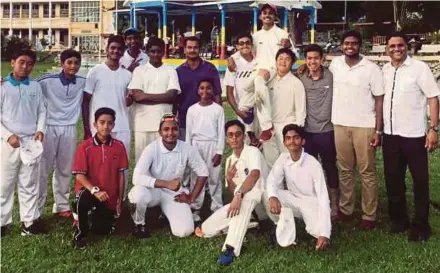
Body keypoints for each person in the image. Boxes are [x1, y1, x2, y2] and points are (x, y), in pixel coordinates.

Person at [382, 32, 439, 241]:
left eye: (400, 45)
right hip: (390, 134)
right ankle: (399, 220)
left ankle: (421, 224)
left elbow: (433, 97)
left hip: (414, 135)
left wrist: (434, 128)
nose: (396, 49)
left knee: (420, 180)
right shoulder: (385, 70)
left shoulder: (419, 69)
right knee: (393, 178)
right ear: (387, 49)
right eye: (392, 46)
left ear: (407, 47)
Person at [329, 30, 384, 230]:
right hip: (340, 124)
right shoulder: (335, 64)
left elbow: (379, 100)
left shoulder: (371, 68)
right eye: (346, 43)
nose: (350, 46)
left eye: (353, 43)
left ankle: (369, 215)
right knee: (344, 169)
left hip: (365, 125)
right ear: (342, 45)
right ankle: (346, 209)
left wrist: (378, 130)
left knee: (367, 171)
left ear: (360, 45)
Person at [195, 120, 268, 266]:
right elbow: (232, 190)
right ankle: (252, 224)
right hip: (242, 200)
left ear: (244, 137)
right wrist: (229, 179)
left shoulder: (252, 152)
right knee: (205, 230)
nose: (234, 138)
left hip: (262, 200)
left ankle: (231, 248)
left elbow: (254, 175)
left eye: (238, 134)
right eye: (230, 135)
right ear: (227, 139)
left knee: (245, 200)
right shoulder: (229, 161)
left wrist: (239, 194)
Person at [128, 114, 208, 239]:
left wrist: (191, 197)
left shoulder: (187, 148)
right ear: (160, 132)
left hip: (173, 194)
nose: (170, 133)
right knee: (138, 194)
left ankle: (161, 212)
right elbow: (136, 178)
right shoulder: (151, 149)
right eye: (166, 129)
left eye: (174, 129)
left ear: (178, 131)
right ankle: (139, 224)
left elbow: (203, 172)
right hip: (152, 191)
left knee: (184, 231)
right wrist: (166, 184)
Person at [228, 3, 295, 142]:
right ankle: (250, 128)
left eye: (271, 13)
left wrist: (289, 46)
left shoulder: (282, 34)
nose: (267, 15)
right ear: (260, 16)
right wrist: (231, 58)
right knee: (245, 95)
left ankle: (266, 126)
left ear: (275, 16)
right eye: (264, 13)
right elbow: (245, 49)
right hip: (258, 69)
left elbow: (294, 55)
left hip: (274, 70)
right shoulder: (256, 35)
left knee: (258, 81)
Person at [1, 49, 47, 237]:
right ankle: (2, 222)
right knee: (4, 184)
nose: (25, 67)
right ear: (12, 62)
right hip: (8, 144)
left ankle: (29, 223)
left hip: (30, 142)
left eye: (29, 63)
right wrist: (7, 136)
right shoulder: (3, 86)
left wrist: (40, 130)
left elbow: (42, 110)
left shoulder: (35, 86)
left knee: (29, 183)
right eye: (21, 62)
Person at [36, 49, 86, 218]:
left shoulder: (82, 82)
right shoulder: (47, 80)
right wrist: (4, 80)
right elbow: (27, 84)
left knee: (65, 168)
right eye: (69, 62)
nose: (73, 66)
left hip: (70, 128)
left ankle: (61, 205)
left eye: (76, 63)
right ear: (62, 63)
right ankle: (37, 207)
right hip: (49, 127)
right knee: (43, 168)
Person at [82, 34, 132, 197]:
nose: (116, 51)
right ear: (107, 49)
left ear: (123, 51)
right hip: (99, 126)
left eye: (119, 49)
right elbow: (85, 101)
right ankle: (97, 198)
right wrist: (87, 129)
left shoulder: (127, 75)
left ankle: (119, 200)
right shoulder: (95, 72)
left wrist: (130, 99)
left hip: (122, 124)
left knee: (121, 165)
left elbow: (129, 99)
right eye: (113, 48)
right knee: (98, 164)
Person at [266, 124, 331, 250]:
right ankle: (282, 227)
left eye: (296, 138)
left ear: (303, 141)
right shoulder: (283, 158)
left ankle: (322, 232)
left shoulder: (313, 164)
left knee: (319, 234)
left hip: (311, 203)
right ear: (284, 143)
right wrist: (273, 197)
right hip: (292, 199)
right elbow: (271, 180)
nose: (292, 141)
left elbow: (323, 198)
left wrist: (324, 233)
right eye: (288, 138)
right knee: (267, 194)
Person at [71, 108, 128, 249]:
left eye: (109, 123)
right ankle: (80, 233)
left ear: (113, 125)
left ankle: (89, 216)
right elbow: (79, 175)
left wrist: (120, 201)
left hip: (109, 197)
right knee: (84, 198)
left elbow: (121, 175)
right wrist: (94, 190)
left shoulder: (119, 146)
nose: (105, 126)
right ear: (95, 124)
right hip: (90, 192)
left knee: (101, 230)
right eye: (101, 122)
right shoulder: (85, 146)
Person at [297, 44, 339, 219]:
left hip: (327, 131)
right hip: (307, 131)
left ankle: (335, 204)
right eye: (309, 58)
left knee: (330, 167)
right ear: (305, 60)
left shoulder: (332, 76)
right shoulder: (300, 76)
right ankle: (313, 203)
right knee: (309, 168)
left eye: (316, 58)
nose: (312, 61)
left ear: (322, 59)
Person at [127, 37, 181, 163]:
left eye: (159, 51)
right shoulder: (139, 71)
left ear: (163, 52)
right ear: (147, 52)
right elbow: (137, 97)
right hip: (142, 124)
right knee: (142, 162)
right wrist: (163, 97)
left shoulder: (170, 71)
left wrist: (146, 96)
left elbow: (172, 96)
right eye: (152, 51)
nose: (156, 54)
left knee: (163, 163)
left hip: (164, 124)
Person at [185, 79, 225, 224]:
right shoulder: (192, 110)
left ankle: (217, 207)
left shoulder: (218, 109)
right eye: (202, 88)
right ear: (197, 91)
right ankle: (195, 206)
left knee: (214, 177)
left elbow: (221, 132)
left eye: (208, 88)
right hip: (196, 146)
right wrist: (189, 152)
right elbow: (188, 133)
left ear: (212, 90)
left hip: (212, 145)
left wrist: (219, 151)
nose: (205, 91)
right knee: (197, 177)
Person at [261, 48, 306, 168]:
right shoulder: (268, 81)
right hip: (269, 127)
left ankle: (292, 186)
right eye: (280, 59)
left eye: (287, 59)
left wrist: (297, 133)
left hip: (288, 127)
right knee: (271, 163)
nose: (283, 62)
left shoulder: (296, 83)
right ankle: (275, 187)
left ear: (292, 63)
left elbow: (301, 110)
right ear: (275, 61)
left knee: (290, 163)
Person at [176, 36, 222, 140]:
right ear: (184, 49)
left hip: (208, 119)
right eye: (189, 47)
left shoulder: (210, 68)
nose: (192, 50)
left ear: (200, 49)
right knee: (186, 153)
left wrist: (218, 117)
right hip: (185, 120)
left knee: (208, 152)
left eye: (195, 47)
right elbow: (176, 99)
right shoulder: (178, 71)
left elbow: (217, 94)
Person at [224, 33, 260, 146]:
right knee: (244, 147)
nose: (245, 45)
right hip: (243, 111)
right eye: (241, 43)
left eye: (247, 43)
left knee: (263, 144)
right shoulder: (234, 64)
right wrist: (237, 111)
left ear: (252, 45)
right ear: (237, 46)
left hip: (260, 109)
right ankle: (250, 135)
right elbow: (229, 91)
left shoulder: (259, 61)